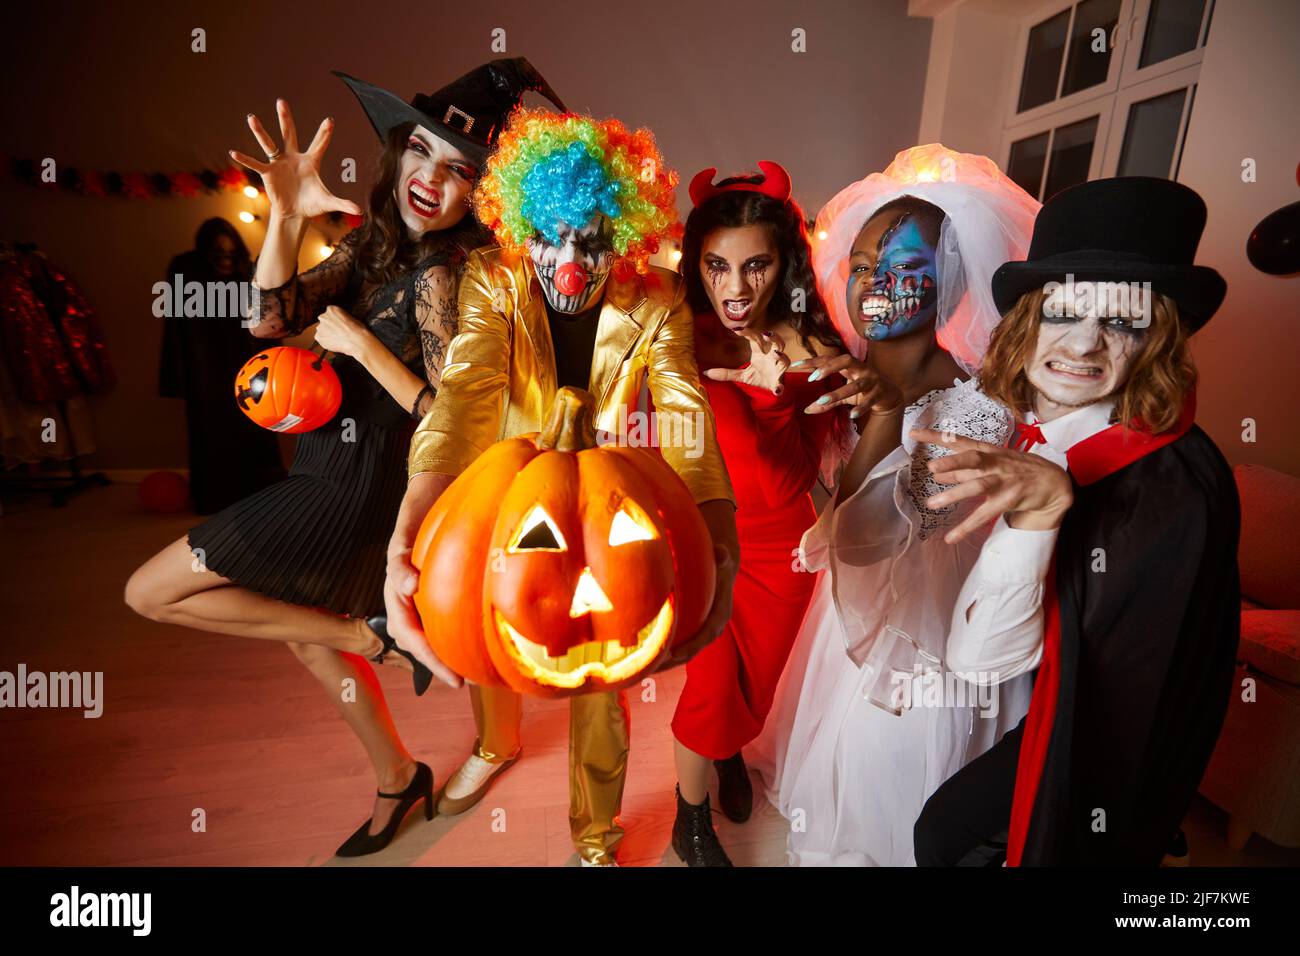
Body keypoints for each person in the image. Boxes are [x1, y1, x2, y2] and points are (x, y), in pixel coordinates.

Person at [126, 60, 563, 857]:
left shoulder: (448, 272)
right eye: (422, 155)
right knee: (299, 631)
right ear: (398, 155)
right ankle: (397, 774)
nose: (433, 181)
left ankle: (372, 640)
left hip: (361, 486)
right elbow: (267, 320)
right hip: (322, 463)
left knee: (149, 592)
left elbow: (447, 415)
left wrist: (359, 344)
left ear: (478, 193)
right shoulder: (374, 245)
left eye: (459, 172)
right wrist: (286, 218)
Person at [382, 108, 741, 867]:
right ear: (522, 227)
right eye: (550, 235)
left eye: (593, 239)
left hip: (603, 488)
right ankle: (495, 742)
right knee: (486, 621)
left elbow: (682, 414)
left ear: (627, 234)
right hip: (502, 486)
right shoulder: (490, 279)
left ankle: (594, 835)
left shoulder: (659, 298)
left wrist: (722, 539)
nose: (568, 259)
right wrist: (409, 522)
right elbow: (467, 390)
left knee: (599, 668)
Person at [912, 176, 1240, 866]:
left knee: (947, 835)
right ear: (1028, 321)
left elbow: (992, 664)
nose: (1085, 345)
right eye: (1065, 313)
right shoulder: (1063, 430)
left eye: (1123, 321)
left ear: (1156, 339)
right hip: (1053, 707)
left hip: (1098, 748)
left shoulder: (1167, 490)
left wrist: (1040, 515)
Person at [748, 145, 1039, 865]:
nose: (876, 283)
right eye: (865, 266)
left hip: (925, 631)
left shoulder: (979, 408)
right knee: (832, 756)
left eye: (902, 268)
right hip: (844, 612)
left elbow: (875, 540)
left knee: (890, 772)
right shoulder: (841, 371)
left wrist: (884, 417)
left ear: (950, 281)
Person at [668, 161, 863, 866]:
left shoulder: (814, 345)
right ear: (696, 263)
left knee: (758, 685)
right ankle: (688, 826)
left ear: (784, 263)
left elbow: (829, 457)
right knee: (712, 683)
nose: (736, 287)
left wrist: (790, 392)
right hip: (706, 540)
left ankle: (725, 758)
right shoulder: (675, 341)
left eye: (756, 265)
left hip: (785, 550)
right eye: (716, 265)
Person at [159, 217, 285, 514]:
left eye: (230, 254)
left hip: (247, 367)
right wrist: (178, 377)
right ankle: (214, 500)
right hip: (204, 371)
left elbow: (268, 323)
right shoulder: (185, 270)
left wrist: (274, 372)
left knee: (255, 433)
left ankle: (262, 499)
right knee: (211, 437)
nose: (226, 261)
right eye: (219, 254)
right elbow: (175, 327)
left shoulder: (249, 272)